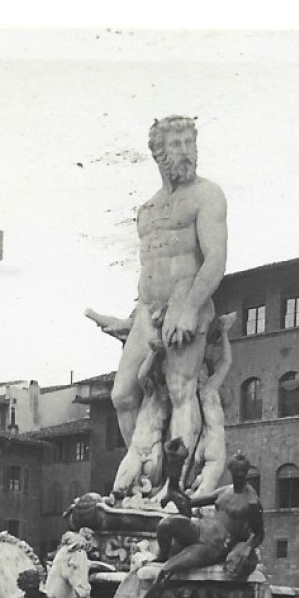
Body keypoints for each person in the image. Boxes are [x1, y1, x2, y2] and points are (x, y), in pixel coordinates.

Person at [91, 116, 228, 471]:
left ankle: (176, 482)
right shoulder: (147, 211)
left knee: (181, 391)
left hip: (187, 305)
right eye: (177, 144)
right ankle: (145, 472)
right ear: (158, 153)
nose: (187, 151)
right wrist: (129, 319)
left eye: (190, 143)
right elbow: (150, 272)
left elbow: (215, 259)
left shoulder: (206, 194)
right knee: (122, 395)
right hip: (147, 314)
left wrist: (190, 309)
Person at [115, 451, 263, 598]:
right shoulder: (225, 491)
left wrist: (248, 547)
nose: (239, 476)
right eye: (236, 472)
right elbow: (189, 503)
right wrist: (173, 487)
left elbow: (259, 534)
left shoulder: (252, 501)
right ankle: (162, 554)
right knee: (166, 523)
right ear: (231, 470)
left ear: (246, 472)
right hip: (201, 528)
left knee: (167, 570)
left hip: (214, 545)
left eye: (242, 472)